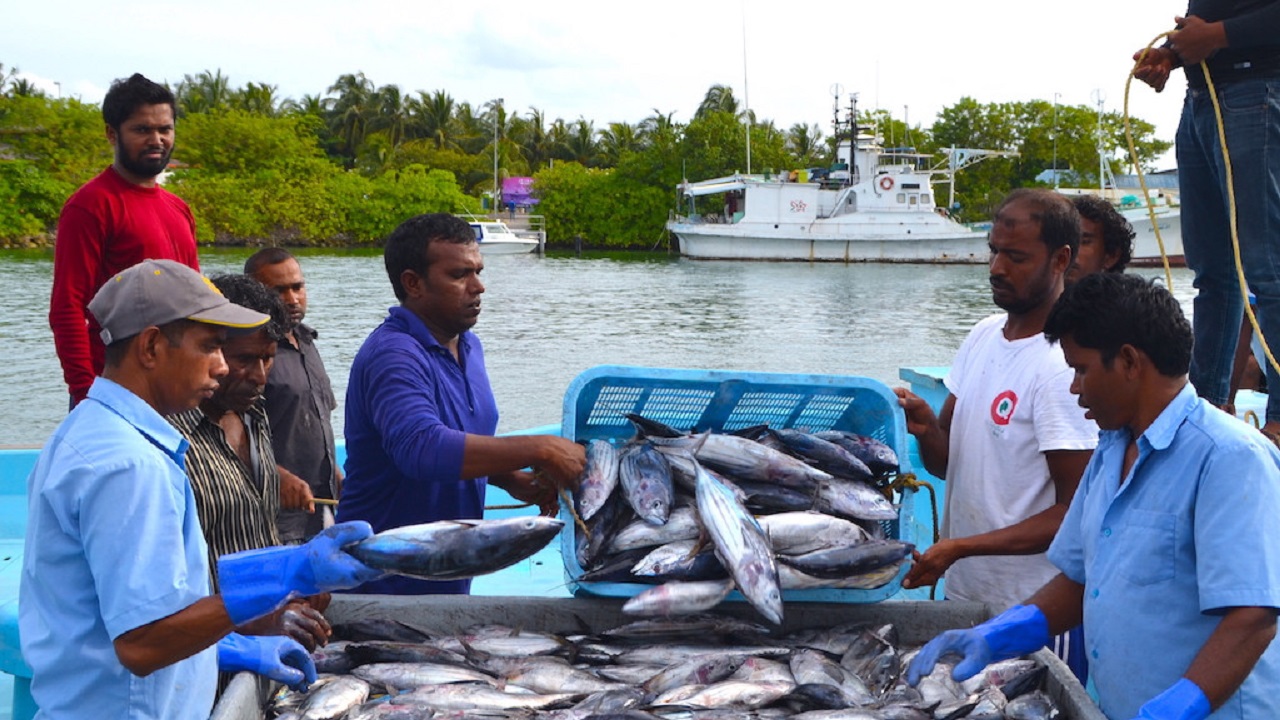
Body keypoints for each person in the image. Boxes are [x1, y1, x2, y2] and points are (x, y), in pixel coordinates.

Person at [907, 272, 1280, 720]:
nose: (1074, 387)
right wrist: (997, 635)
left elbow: (1253, 614)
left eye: (1081, 369)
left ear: (1128, 362)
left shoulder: (1228, 458)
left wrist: (1181, 705)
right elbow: (1081, 579)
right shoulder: (1112, 449)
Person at [20, 259, 383, 719]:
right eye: (210, 347)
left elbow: (120, 612)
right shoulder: (128, 464)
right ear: (151, 346)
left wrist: (229, 646)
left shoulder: (90, 431)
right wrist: (288, 572)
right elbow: (143, 642)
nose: (220, 366)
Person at [894, 189, 1098, 678]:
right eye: (994, 252)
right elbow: (947, 465)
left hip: (1037, 612)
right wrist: (926, 428)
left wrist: (961, 546)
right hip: (965, 595)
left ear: (1061, 259)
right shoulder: (984, 335)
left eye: (1017, 256)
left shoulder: (1060, 368)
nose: (996, 268)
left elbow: (1077, 515)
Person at [337, 213, 586, 595]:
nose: (478, 287)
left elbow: (459, 434)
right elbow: (420, 449)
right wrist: (541, 447)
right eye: (459, 275)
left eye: (478, 272)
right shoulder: (394, 355)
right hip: (382, 584)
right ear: (413, 283)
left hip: (448, 574)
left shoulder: (468, 344)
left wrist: (507, 478)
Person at [1132, 2, 1280, 442]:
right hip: (1204, 98)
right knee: (1215, 273)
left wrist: (1217, 35)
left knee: (1268, 268)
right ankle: (1208, 403)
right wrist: (1173, 55)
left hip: (1259, 92)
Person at [169, 274, 331, 656]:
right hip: (204, 655)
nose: (260, 377)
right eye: (243, 359)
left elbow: (256, 534)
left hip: (269, 641)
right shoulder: (169, 442)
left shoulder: (253, 412)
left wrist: (297, 583)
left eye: (268, 358)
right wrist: (257, 620)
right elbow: (162, 600)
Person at [49, 73, 199, 406]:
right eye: (142, 130)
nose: (157, 139)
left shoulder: (179, 210)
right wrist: (84, 391)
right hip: (114, 388)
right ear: (111, 134)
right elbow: (67, 307)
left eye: (165, 129)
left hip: (176, 387)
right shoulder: (90, 206)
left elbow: (195, 300)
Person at [245, 248, 340, 543]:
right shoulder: (249, 355)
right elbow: (229, 430)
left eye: (297, 287)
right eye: (279, 290)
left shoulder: (307, 341)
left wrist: (336, 473)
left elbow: (317, 417)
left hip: (320, 502)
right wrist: (276, 476)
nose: (292, 298)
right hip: (274, 511)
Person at [1066, 194, 1135, 284]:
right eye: (1064, 239)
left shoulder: (1132, 297)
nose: (1069, 249)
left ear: (1111, 257)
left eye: (1084, 242)